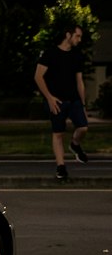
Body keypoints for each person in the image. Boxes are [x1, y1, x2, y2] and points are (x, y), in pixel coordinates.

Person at [34, 22, 88, 182]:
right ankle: (61, 167)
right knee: (58, 134)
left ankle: (75, 144)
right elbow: (38, 77)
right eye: (77, 36)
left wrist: (83, 104)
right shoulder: (50, 54)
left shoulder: (77, 55)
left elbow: (79, 81)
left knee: (83, 127)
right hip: (57, 100)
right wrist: (49, 98)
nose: (79, 39)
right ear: (68, 35)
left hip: (74, 99)